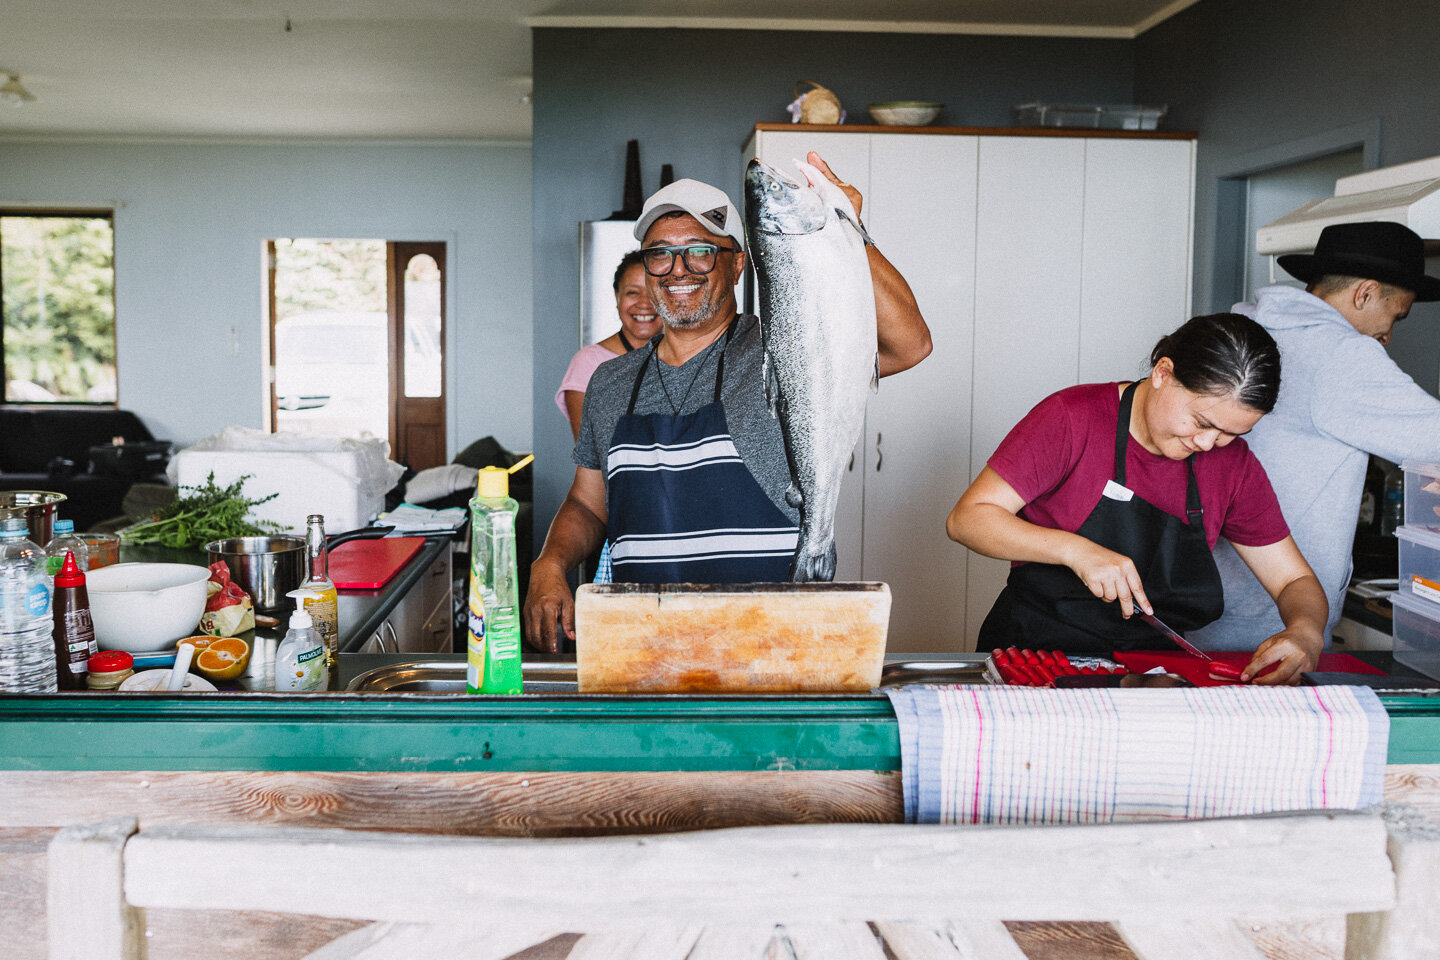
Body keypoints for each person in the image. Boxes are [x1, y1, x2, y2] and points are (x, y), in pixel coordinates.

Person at [523, 152, 932, 652]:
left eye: (700, 250)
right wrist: (548, 563)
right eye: (660, 253)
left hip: (771, 642)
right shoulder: (610, 382)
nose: (678, 269)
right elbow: (588, 504)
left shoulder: (785, 350)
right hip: (641, 646)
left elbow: (910, 345)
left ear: (738, 263)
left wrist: (846, 228)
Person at [946, 313, 1327, 684]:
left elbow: (1293, 578)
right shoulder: (1072, 419)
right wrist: (1077, 551)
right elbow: (968, 519)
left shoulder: (1234, 465)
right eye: (1202, 422)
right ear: (1163, 373)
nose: (1208, 444)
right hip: (1033, 657)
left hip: (1150, 672)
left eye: (1230, 433)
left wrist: (1306, 631)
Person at [1192, 221, 1440, 651]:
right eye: (1394, 314)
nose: (1389, 334)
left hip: (1192, 599)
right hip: (1272, 622)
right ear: (1364, 293)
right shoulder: (1342, 355)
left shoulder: (1241, 326)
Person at [555, 250, 660, 440]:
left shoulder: (691, 357)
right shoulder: (589, 363)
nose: (645, 303)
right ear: (616, 296)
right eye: (632, 293)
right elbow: (590, 454)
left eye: (654, 292)